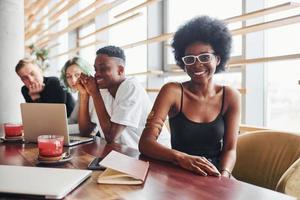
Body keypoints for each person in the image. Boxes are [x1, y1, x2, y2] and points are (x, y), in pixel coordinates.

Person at [139, 16, 241, 178]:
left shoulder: (230, 96)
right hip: (179, 170)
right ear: (183, 62)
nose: (197, 64)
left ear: (218, 59)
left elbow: (230, 149)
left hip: (216, 175)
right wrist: (182, 158)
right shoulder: (172, 91)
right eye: (190, 59)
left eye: (205, 57)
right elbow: (145, 143)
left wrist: (224, 175)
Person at [77, 45, 170, 149]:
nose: (97, 74)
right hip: (125, 153)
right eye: (95, 69)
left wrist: (94, 93)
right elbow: (85, 131)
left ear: (120, 70)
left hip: (154, 157)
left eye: (103, 69)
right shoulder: (102, 90)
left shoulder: (131, 87)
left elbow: (110, 136)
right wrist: (84, 95)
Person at [60, 56, 94, 124]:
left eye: (77, 74)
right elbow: (73, 120)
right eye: (69, 76)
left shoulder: (94, 95)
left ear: (87, 73)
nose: (73, 80)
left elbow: (92, 128)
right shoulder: (80, 93)